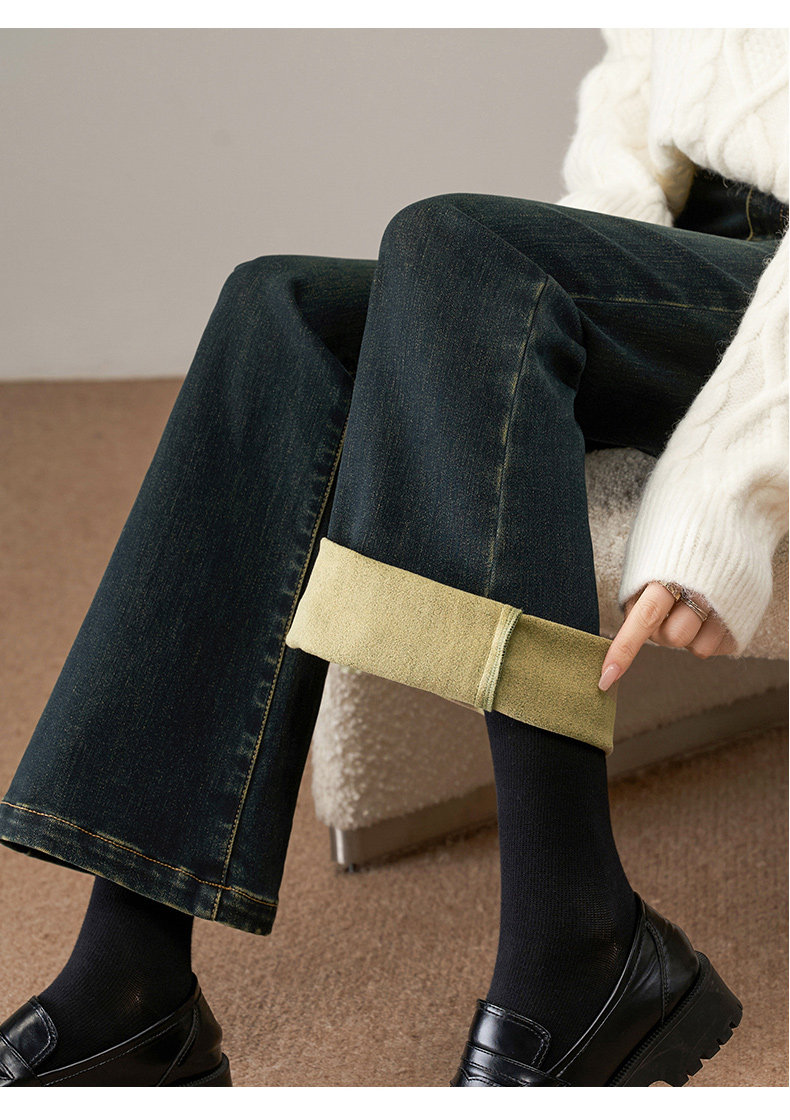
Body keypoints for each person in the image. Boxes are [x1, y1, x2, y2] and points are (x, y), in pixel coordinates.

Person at [0, 28, 786, 1088]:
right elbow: (646, 79)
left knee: (456, 244)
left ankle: (579, 936)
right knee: (283, 312)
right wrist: (562, 277)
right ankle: (128, 984)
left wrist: (727, 484)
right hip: (692, 265)